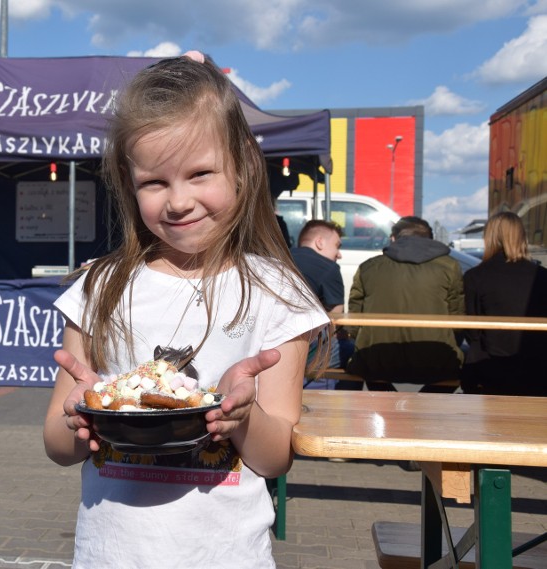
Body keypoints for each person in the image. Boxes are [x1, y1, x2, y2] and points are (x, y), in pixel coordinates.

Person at [42, 51, 329, 568]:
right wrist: (78, 415)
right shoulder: (99, 287)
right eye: (155, 182)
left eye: (200, 173)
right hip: (110, 555)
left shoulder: (278, 293)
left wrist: (243, 414)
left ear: (241, 166)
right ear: (129, 183)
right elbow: (58, 447)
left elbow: (274, 456)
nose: (177, 201)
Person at [344, 216, 464, 392]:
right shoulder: (450, 267)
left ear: (393, 238)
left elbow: (354, 321)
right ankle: (417, 407)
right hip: (437, 360)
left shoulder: (368, 267)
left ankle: (393, 409)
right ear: (430, 240)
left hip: (376, 360)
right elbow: (458, 318)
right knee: (454, 370)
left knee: (367, 367)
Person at [462, 212, 547, 396]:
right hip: (539, 368)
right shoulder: (542, 276)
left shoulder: (475, 276)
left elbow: (473, 332)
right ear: (521, 237)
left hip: (492, 369)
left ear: (489, 237)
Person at [291, 220, 345, 386]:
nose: (339, 254)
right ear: (320, 242)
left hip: (267, 339)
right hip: (304, 343)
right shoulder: (328, 268)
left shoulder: (278, 256)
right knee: (344, 349)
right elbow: (337, 316)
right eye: (337, 245)